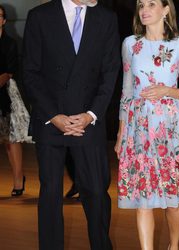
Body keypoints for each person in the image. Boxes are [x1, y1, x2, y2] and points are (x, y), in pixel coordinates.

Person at [22, 0, 120, 249]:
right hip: (50, 120)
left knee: (97, 192)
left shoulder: (106, 18)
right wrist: (53, 115)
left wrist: (91, 114)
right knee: (51, 194)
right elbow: (30, 72)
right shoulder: (39, 16)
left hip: (89, 120)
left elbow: (110, 72)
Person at [114, 0, 179, 249]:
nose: (144, 9)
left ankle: (173, 246)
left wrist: (168, 90)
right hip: (138, 126)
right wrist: (121, 133)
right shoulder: (130, 44)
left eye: (151, 4)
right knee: (143, 197)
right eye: (141, 4)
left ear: (166, 10)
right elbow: (126, 91)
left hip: (170, 126)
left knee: (172, 199)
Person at [0, 4, 31, 196]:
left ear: (3, 20)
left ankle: (19, 180)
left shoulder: (10, 42)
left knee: (11, 139)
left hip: (7, 94)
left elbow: (9, 72)